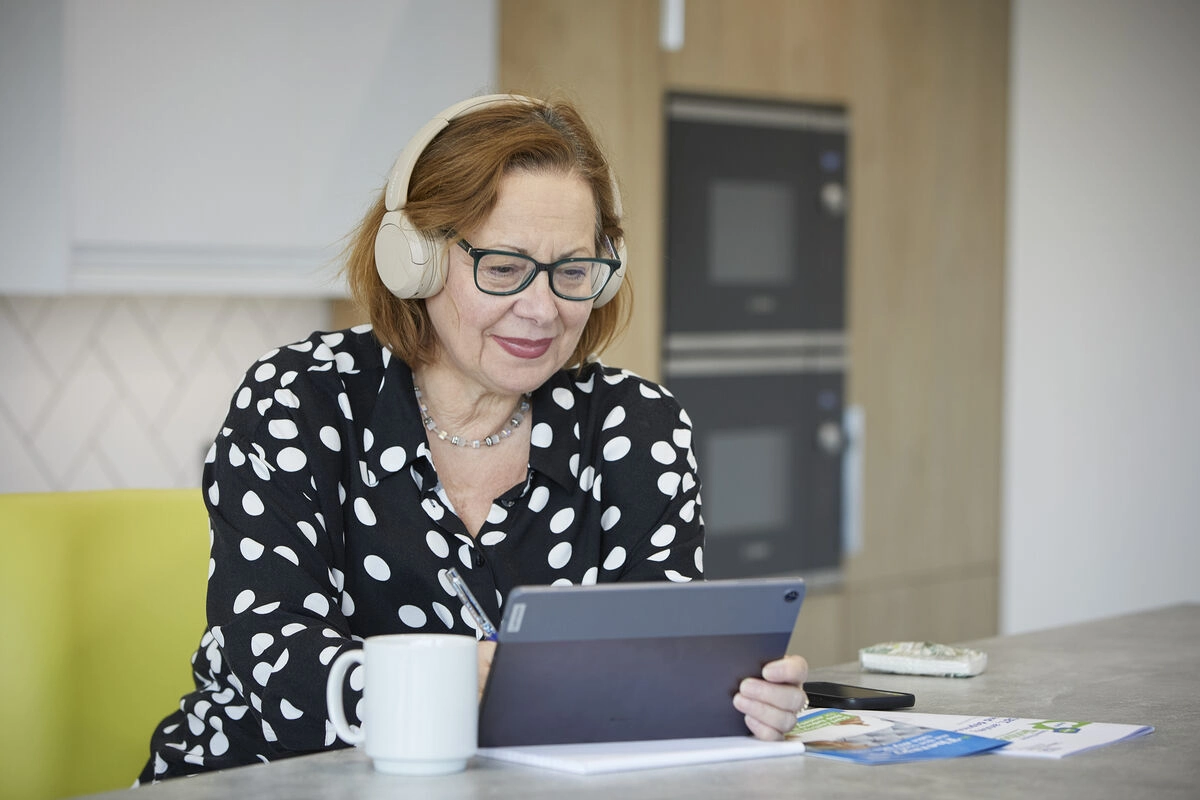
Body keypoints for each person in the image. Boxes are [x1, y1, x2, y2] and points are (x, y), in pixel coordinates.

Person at [138, 93, 809, 783]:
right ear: (417, 259)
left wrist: (728, 700)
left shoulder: (637, 428)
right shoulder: (301, 399)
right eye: (503, 267)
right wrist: (451, 683)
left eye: (572, 271)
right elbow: (270, 657)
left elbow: (648, 677)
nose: (543, 309)